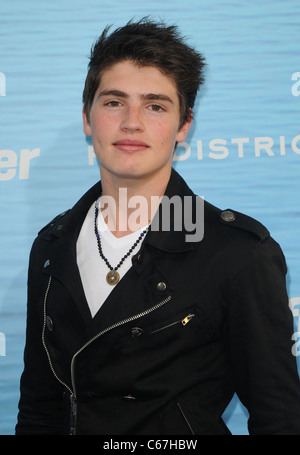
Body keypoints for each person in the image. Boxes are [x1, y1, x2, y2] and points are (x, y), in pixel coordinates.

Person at [16, 18, 300, 435]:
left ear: (184, 126)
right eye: (114, 102)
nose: (132, 122)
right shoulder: (52, 244)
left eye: (155, 106)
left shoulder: (236, 252)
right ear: (86, 118)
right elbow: (38, 407)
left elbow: (280, 419)